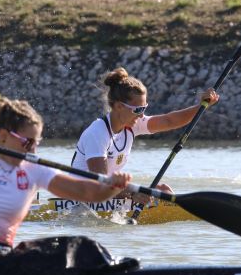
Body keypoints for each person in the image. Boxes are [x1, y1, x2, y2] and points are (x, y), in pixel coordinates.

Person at [0, 96, 132, 275]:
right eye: (28, 142)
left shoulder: (33, 168)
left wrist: (112, 187)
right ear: (3, 136)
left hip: (3, 258)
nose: (33, 150)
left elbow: (88, 193)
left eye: (36, 143)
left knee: (80, 247)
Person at [71, 67, 219, 205]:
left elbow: (169, 120)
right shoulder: (98, 132)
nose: (142, 115)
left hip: (109, 193)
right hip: (83, 198)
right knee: (153, 193)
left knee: (163, 190)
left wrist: (201, 107)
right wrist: (134, 194)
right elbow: (100, 184)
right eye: (138, 109)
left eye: (144, 108)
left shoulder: (132, 124)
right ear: (118, 106)